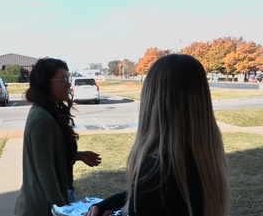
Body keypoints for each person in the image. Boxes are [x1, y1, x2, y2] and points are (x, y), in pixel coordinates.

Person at [84, 54, 230, 216]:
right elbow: (163, 197)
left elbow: (154, 191)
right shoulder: (202, 157)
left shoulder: (155, 169)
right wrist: (108, 204)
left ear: (153, 102)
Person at [14, 58, 102, 216]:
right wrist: (63, 210)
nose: (68, 84)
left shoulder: (51, 112)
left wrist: (78, 156)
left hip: (59, 197)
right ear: (46, 82)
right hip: (42, 207)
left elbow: (50, 155)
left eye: (68, 79)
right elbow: (45, 170)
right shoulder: (41, 118)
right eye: (63, 80)